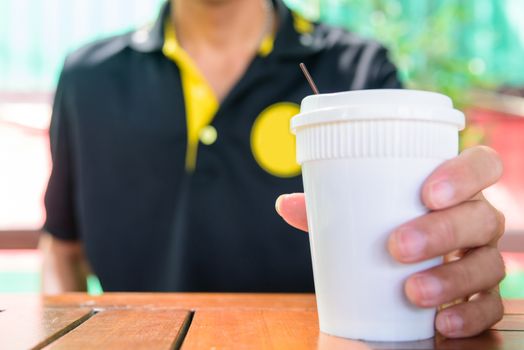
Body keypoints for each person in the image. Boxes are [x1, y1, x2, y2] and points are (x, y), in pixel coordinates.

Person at [40, 0, 505, 339]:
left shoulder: (358, 70)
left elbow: (422, 227)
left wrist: (447, 249)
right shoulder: (88, 77)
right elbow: (62, 247)